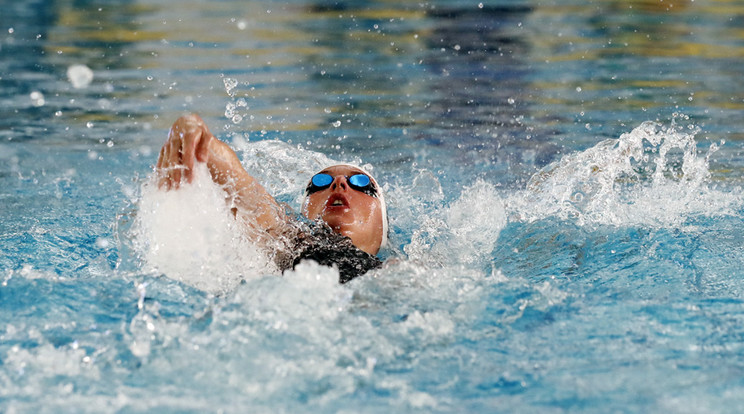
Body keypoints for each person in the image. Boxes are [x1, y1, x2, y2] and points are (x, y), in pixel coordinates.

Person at [155, 114, 388, 282]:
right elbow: (237, 180)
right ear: (304, 213)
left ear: (383, 226)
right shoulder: (288, 242)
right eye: (319, 183)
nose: (339, 184)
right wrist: (192, 129)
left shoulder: (398, 271)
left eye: (361, 183)